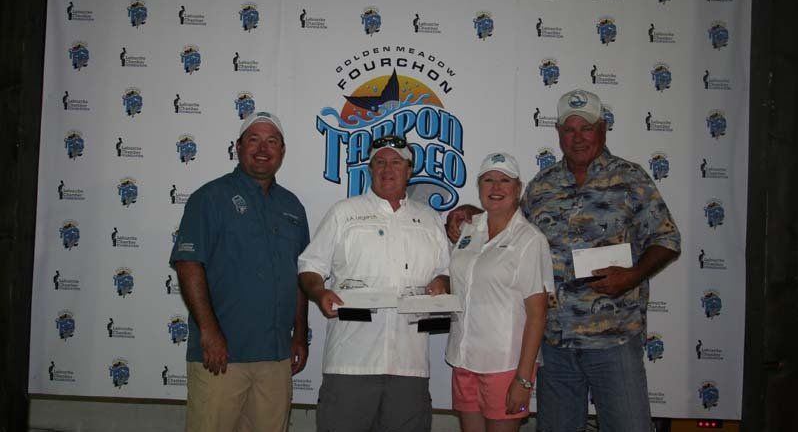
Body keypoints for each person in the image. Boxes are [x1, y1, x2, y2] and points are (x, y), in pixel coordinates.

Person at [447, 89, 680, 432]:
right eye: (569, 129)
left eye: (586, 127)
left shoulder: (631, 178)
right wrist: (472, 212)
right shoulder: (542, 186)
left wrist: (632, 276)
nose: (577, 137)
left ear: (602, 129)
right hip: (554, 341)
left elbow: (667, 239)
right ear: (558, 133)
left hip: (612, 338)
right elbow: (509, 226)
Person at [299, 135, 450, 432]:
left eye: (396, 162)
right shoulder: (344, 213)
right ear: (370, 169)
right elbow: (309, 266)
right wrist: (319, 292)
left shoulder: (430, 219)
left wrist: (442, 281)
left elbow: (445, 271)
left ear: (409, 170)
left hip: (410, 364)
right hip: (350, 363)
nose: (387, 168)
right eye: (379, 162)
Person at [170, 111, 310, 432]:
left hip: (275, 358)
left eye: (272, 141)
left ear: (282, 151)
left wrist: (299, 335)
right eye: (254, 139)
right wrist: (209, 331)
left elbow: (300, 277)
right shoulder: (209, 198)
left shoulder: (292, 207)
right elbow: (189, 265)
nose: (263, 148)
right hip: (222, 355)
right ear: (238, 146)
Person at [447, 152, 553, 432]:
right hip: (463, 359)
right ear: (479, 187)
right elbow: (465, 284)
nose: (496, 188)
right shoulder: (469, 230)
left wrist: (523, 380)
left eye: (504, 181)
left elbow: (538, 314)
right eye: (488, 180)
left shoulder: (530, 240)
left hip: (505, 367)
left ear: (517, 189)